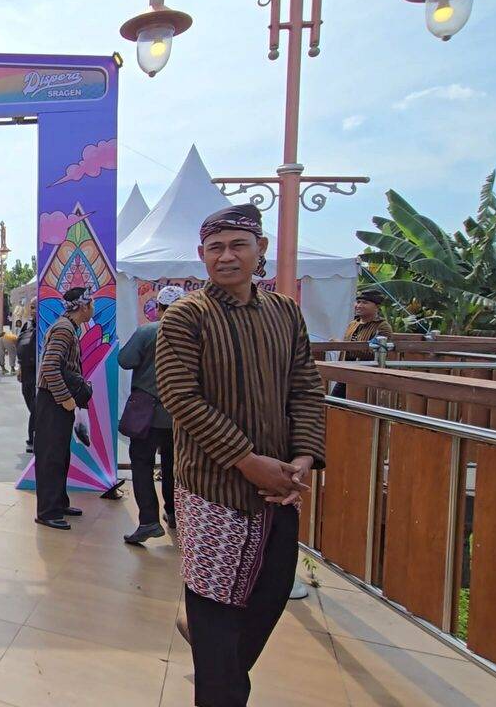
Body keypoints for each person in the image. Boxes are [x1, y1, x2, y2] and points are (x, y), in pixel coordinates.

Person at [156, 204, 325, 707]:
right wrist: (248, 461)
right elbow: (181, 398)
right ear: (201, 255)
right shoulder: (187, 315)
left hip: (278, 489)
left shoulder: (285, 312)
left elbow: (305, 387)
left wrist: (304, 456)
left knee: (269, 598)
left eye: (237, 245)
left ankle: (219, 664)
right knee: (215, 609)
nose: (226, 256)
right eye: (215, 248)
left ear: (260, 249)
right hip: (213, 489)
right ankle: (221, 679)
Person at [119, 285, 185, 545]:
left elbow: (125, 360)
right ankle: (174, 513)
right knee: (173, 466)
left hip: (148, 413)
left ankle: (148, 520)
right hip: (181, 413)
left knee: (142, 463)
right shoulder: (194, 333)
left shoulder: (147, 331)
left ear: (158, 308)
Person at [33, 287, 94, 530]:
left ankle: (58, 502)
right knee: (51, 456)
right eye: (91, 303)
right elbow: (49, 366)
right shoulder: (64, 329)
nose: (93, 308)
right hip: (53, 400)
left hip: (56, 399)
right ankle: (47, 511)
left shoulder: (68, 327)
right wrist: (66, 398)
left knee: (60, 454)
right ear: (83, 306)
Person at [331, 290, 395, 398]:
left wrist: (342, 345)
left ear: (377, 306)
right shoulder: (353, 324)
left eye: (365, 303)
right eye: (358, 302)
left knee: (355, 405)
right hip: (346, 372)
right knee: (333, 402)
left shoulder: (382, 326)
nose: (359, 305)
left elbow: (374, 352)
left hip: (366, 375)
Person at [17, 301, 39, 453]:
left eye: (36, 307)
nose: (33, 310)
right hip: (26, 370)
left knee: (36, 406)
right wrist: (19, 367)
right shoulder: (27, 326)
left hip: (38, 370)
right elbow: (21, 346)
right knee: (30, 403)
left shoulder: (46, 326)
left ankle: (33, 439)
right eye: (32, 307)